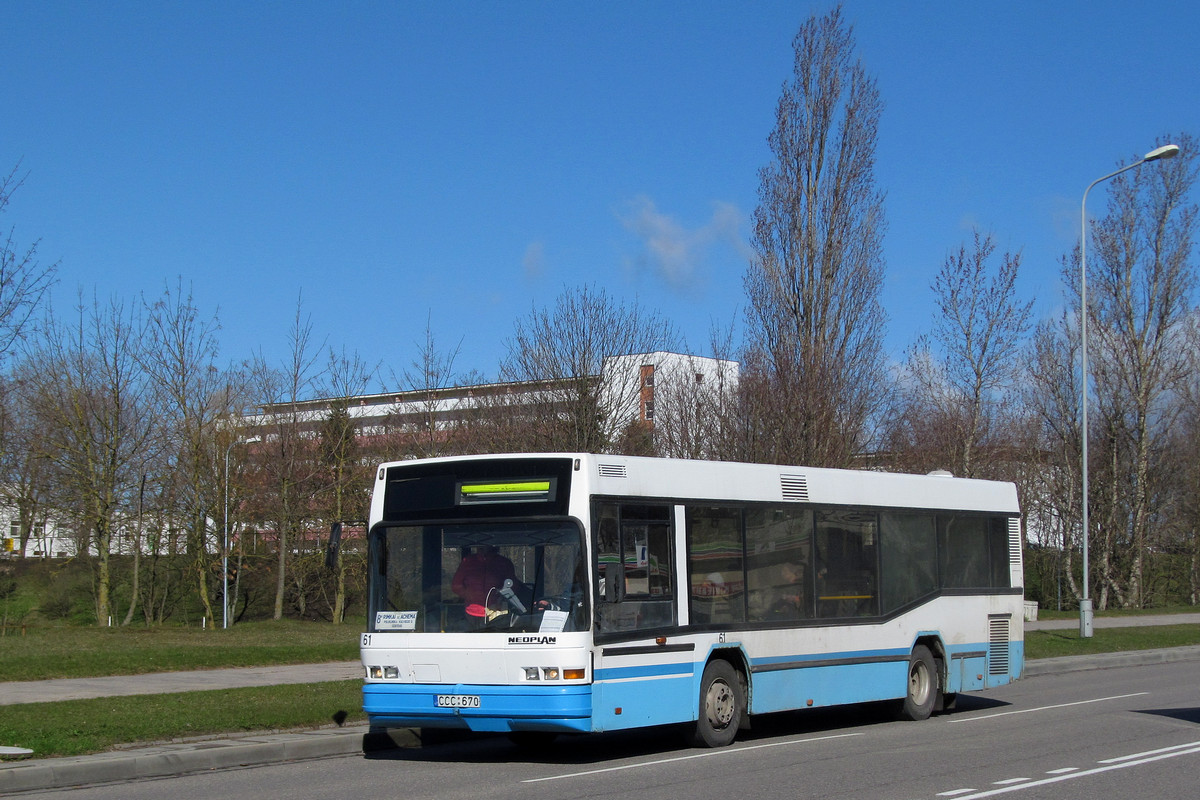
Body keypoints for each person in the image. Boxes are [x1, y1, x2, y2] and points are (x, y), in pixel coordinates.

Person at [451, 545, 518, 620]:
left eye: (484, 544)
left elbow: (511, 587)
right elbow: (456, 585)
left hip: (497, 613)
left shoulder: (504, 563)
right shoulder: (468, 562)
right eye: (478, 544)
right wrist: (469, 595)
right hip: (471, 612)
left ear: (493, 545)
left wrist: (500, 599)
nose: (480, 546)